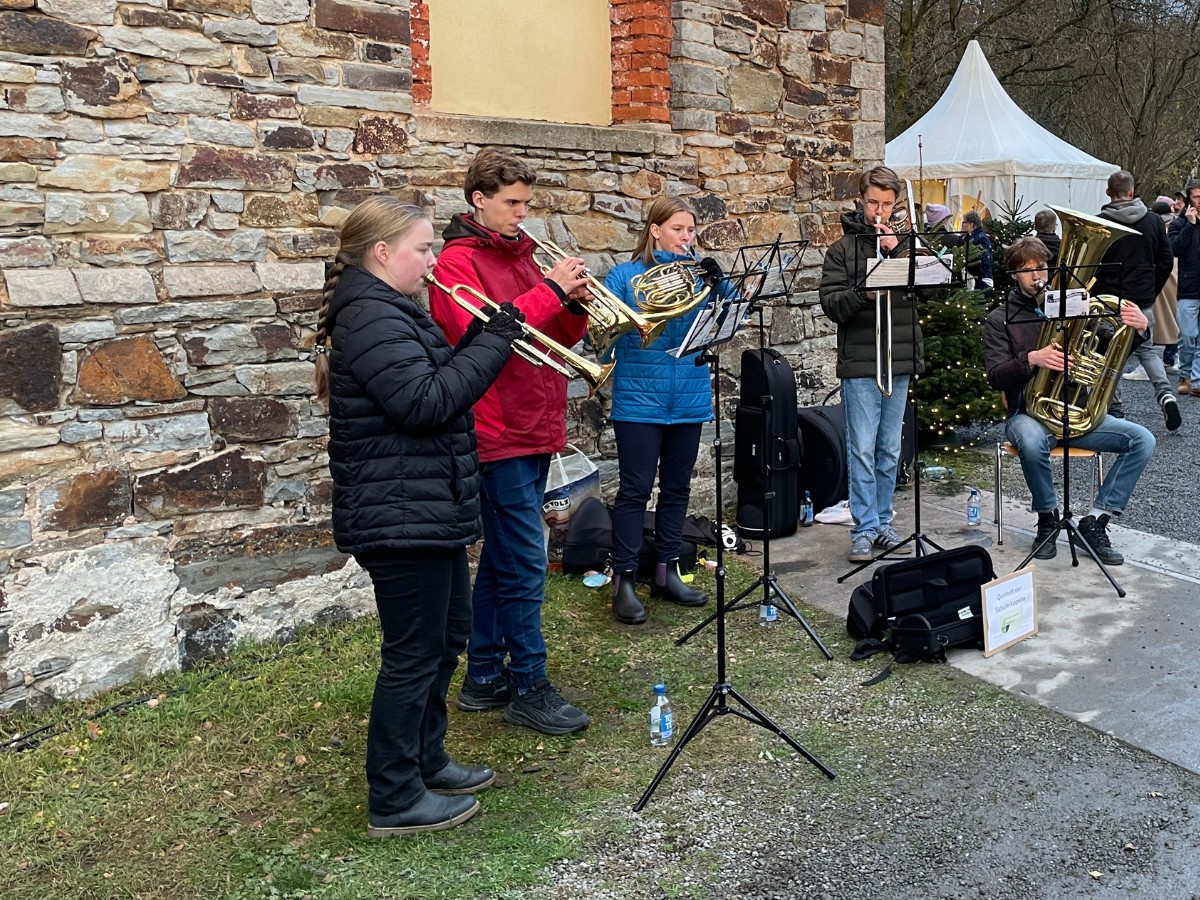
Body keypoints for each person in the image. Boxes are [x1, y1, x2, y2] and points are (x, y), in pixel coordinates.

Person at [315, 198, 524, 837]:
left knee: (447, 637)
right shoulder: (372, 315)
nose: (433, 262)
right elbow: (425, 402)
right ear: (383, 252)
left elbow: (433, 380)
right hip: (399, 512)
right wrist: (495, 344)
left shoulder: (390, 309)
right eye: (423, 248)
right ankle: (395, 795)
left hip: (423, 505)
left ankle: (426, 760)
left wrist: (481, 340)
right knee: (413, 653)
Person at [428, 147, 593, 736]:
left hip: (535, 421)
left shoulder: (522, 254)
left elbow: (555, 334)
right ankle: (529, 685)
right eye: (512, 203)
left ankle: (482, 677)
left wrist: (573, 304)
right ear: (479, 200)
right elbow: (481, 334)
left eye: (526, 202)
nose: (523, 213)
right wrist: (550, 289)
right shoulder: (456, 263)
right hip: (495, 430)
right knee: (525, 561)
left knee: (502, 559)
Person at [984, 236, 1155, 566]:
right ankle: (1048, 518)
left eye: (1042, 267)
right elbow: (995, 376)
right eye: (1027, 270)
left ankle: (1096, 521)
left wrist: (1138, 330)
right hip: (1029, 414)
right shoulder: (1000, 318)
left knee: (1142, 440)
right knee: (1031, 440)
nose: (1037, 275)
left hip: (1078, 413)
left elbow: (1108, 349)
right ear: (1014, 275)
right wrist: (1032, 359)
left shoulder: (1072, 305)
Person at [601, 196, 713, 625]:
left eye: (691, 230)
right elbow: (604, 332)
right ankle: (624, 580)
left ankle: (667, 572)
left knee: (677, 489)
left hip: (689, 397)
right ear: (655, 230)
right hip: (638, 401)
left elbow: (731, 311)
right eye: (677, 229)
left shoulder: (698, 275)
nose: (686, 237)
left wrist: (719, 282)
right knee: (634, 491)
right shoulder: (625, 275)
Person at [819, 165, 924, 563]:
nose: (879, 211)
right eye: (873, 203)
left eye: (887, 204)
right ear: (861, 200)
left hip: (898, 358)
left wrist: (900, 253)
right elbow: (832, 304)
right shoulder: (842, 250)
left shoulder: (906, 245)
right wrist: (864, 291)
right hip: (862, 361)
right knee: (862, 448)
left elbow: (928, 292)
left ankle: (882, 521)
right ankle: (863, 528)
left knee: (889, 448)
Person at [1091, 171, 1179, 431]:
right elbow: (1166, 260)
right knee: (1146, 351)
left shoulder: (1100, 223)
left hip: (1108, 302)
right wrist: (1151, 290)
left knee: (1107, 355)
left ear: (1108, 193)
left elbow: (1093, 266)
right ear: (1132, 191)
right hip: (1142, 300)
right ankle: (1165, 394)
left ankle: (1115, 408)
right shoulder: (1153, 221)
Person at [1169, 179, 1200, 396]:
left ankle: (1197, 381)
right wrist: (1190, 224)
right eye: (1196, 197)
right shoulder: (1179, 223)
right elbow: (1174, 249)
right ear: (1189, 199)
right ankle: (1185, 374)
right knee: (1188, 336)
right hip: (1189, 287)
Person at [961, 210, 994, 292]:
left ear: (971, 224)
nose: (962, 225)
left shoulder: (980, 239)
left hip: (981, 282)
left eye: (964, 222)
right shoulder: (971, 237)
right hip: (978, 280)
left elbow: (979, 262)